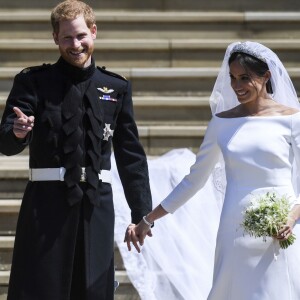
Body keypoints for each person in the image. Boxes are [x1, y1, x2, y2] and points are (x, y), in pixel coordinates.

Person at [0, 1, 152, 299]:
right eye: (67, 37)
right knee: (41, 289)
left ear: (93, 32)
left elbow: (131, 155)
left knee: (92, 290)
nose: (75, 44)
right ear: (55, 38)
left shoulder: (115, 87)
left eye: (81, 35)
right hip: (45, 206)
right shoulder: (32, 82)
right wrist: (17, 132)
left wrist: (141, 213)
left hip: (96, 205)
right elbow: (5, 140)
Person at [125, 41, 300, 299]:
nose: (237, 86)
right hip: (235, 227)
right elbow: (194, 180)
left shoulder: (293, 120)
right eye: (232, 78)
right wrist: (149, 219)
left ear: (266, 76)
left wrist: (292, 218)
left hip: (282, 228)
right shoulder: (221, 122)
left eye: (245, 78)